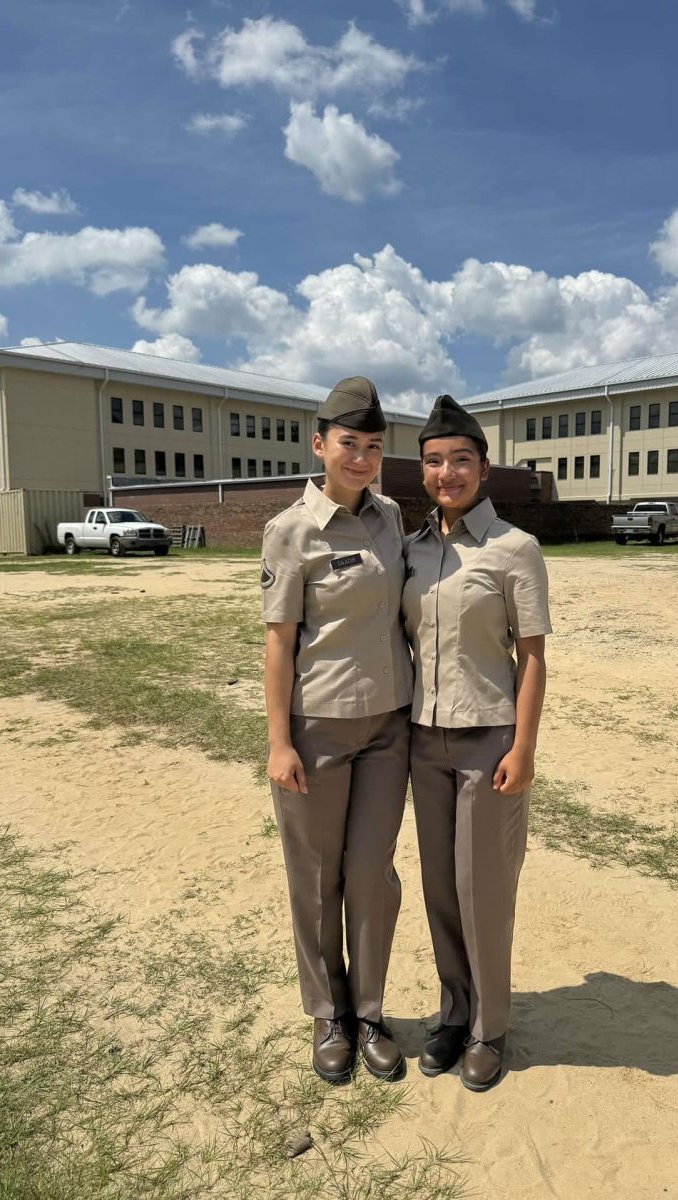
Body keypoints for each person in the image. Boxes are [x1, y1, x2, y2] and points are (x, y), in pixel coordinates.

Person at [261, 376, 412, 1084]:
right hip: (317, 727)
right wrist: (279, 741)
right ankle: (328, 1014)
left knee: (371, 876)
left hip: (388, 726)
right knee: (316, 879)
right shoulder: (290, 531)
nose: (361, 457)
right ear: (320, 445)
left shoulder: (389, 517)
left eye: (374, 446)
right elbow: (278, 644)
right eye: (349, 444)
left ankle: (371, 1009)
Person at [402, 394, 551, 1092]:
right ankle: (454, 1011)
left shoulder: (514, 550)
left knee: (482, 890)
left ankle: (490, 1026)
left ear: (483, 469)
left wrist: (521, 749)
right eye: (434, 461)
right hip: (422, 743)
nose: (446, 473)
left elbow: (533, 660)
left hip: (488, 742)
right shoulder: (411, 549)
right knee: (439, 889)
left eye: (460, 460)